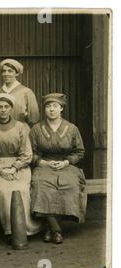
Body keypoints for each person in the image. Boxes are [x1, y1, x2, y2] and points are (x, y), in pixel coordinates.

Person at [0, 93, 42, 242]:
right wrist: (1, 171)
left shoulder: (22, 127)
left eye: (6, 106)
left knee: (21, 189)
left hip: (18, 168)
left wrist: (14, 168)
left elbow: (27, 154)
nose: (3, 110)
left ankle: (26, 228)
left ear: (11, 108)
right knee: (5, 191)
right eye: (0, 107)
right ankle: (10, 230)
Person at [29, 93, 86, 244]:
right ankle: (56, 229)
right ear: (45, 110)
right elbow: (31, 153)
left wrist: (67, 162)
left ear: (61, 108)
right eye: (48, 106)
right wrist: (43, 162)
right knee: (41, 185)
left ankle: (49, 227)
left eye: (55, 106)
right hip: (44, 165)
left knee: (70, 185)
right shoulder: (36, 129)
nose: (51, 110)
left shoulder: (71, 128)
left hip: (66, 166)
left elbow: (79, 152)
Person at [0, 59, 40, 127]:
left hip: (21, 131)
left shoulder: (26, 92)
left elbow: (34, 118)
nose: (6, 74)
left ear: (17, 73)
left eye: (10, 71)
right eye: (4, 71)